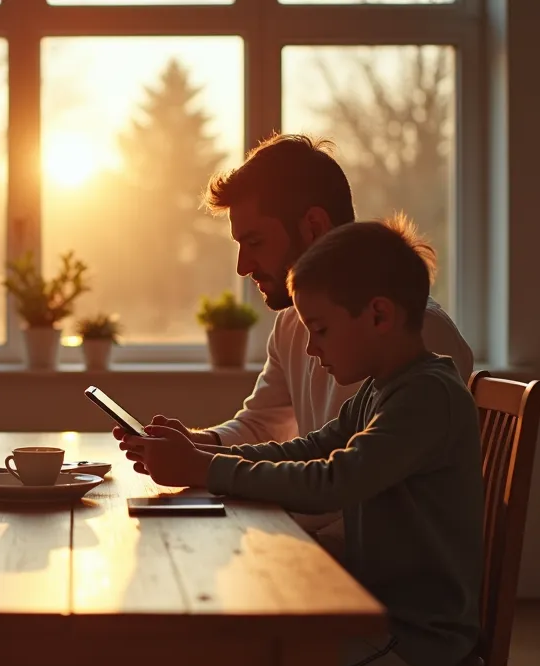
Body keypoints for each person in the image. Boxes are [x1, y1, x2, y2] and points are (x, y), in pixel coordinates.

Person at [120, 219, 484, 666]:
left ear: (379, 316)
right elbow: (308, 449)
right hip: (371, 612)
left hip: (414, 639)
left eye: (321, 329)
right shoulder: (381, 389)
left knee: (240, 655)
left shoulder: (428, 396)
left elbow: (333, 481)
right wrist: (203, 456)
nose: (311, 348)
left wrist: (203, 470)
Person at [115, 133, 474, 539]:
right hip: (321, 542)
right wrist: (197, 448)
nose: (242, 267)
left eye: (255, 241)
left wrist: (206, 469)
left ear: (313, 227)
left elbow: (342, 485)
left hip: (364, 566)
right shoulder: (310, 333)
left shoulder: (419, 340)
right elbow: (278, 433)